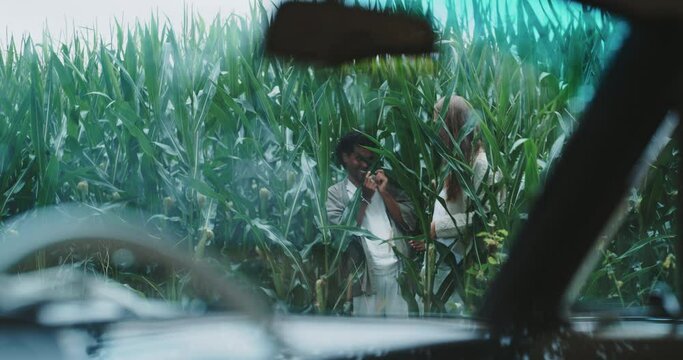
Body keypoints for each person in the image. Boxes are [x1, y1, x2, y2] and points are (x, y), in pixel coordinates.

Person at [422, 95, 500, 315]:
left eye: (437, 121)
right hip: (447, 258)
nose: (433, 127)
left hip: (461, 265)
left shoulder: (480, 164)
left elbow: (485, 219)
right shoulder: (455, 159)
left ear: (451, 124)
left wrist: (438, 227)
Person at [326, 131, 417, 317]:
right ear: (345, 157)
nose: (365, 165)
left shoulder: (383, 184)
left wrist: (384, 193)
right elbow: (341, 236)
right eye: (358, 158)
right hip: (365, 277)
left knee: (400, 330)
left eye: (369, 159)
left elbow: (409, 222)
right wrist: (364, 198)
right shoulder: (335, 194)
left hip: (397, 271)